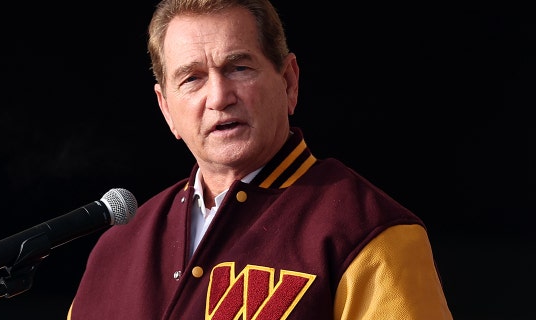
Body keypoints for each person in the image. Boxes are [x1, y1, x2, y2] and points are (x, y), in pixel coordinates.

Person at [68, 0, 453, 319]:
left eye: (239, 67)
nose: (219, 97)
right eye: (192, 78)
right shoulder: (115, 249)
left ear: (289, 81)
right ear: (167, 109)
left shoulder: (368, 232)